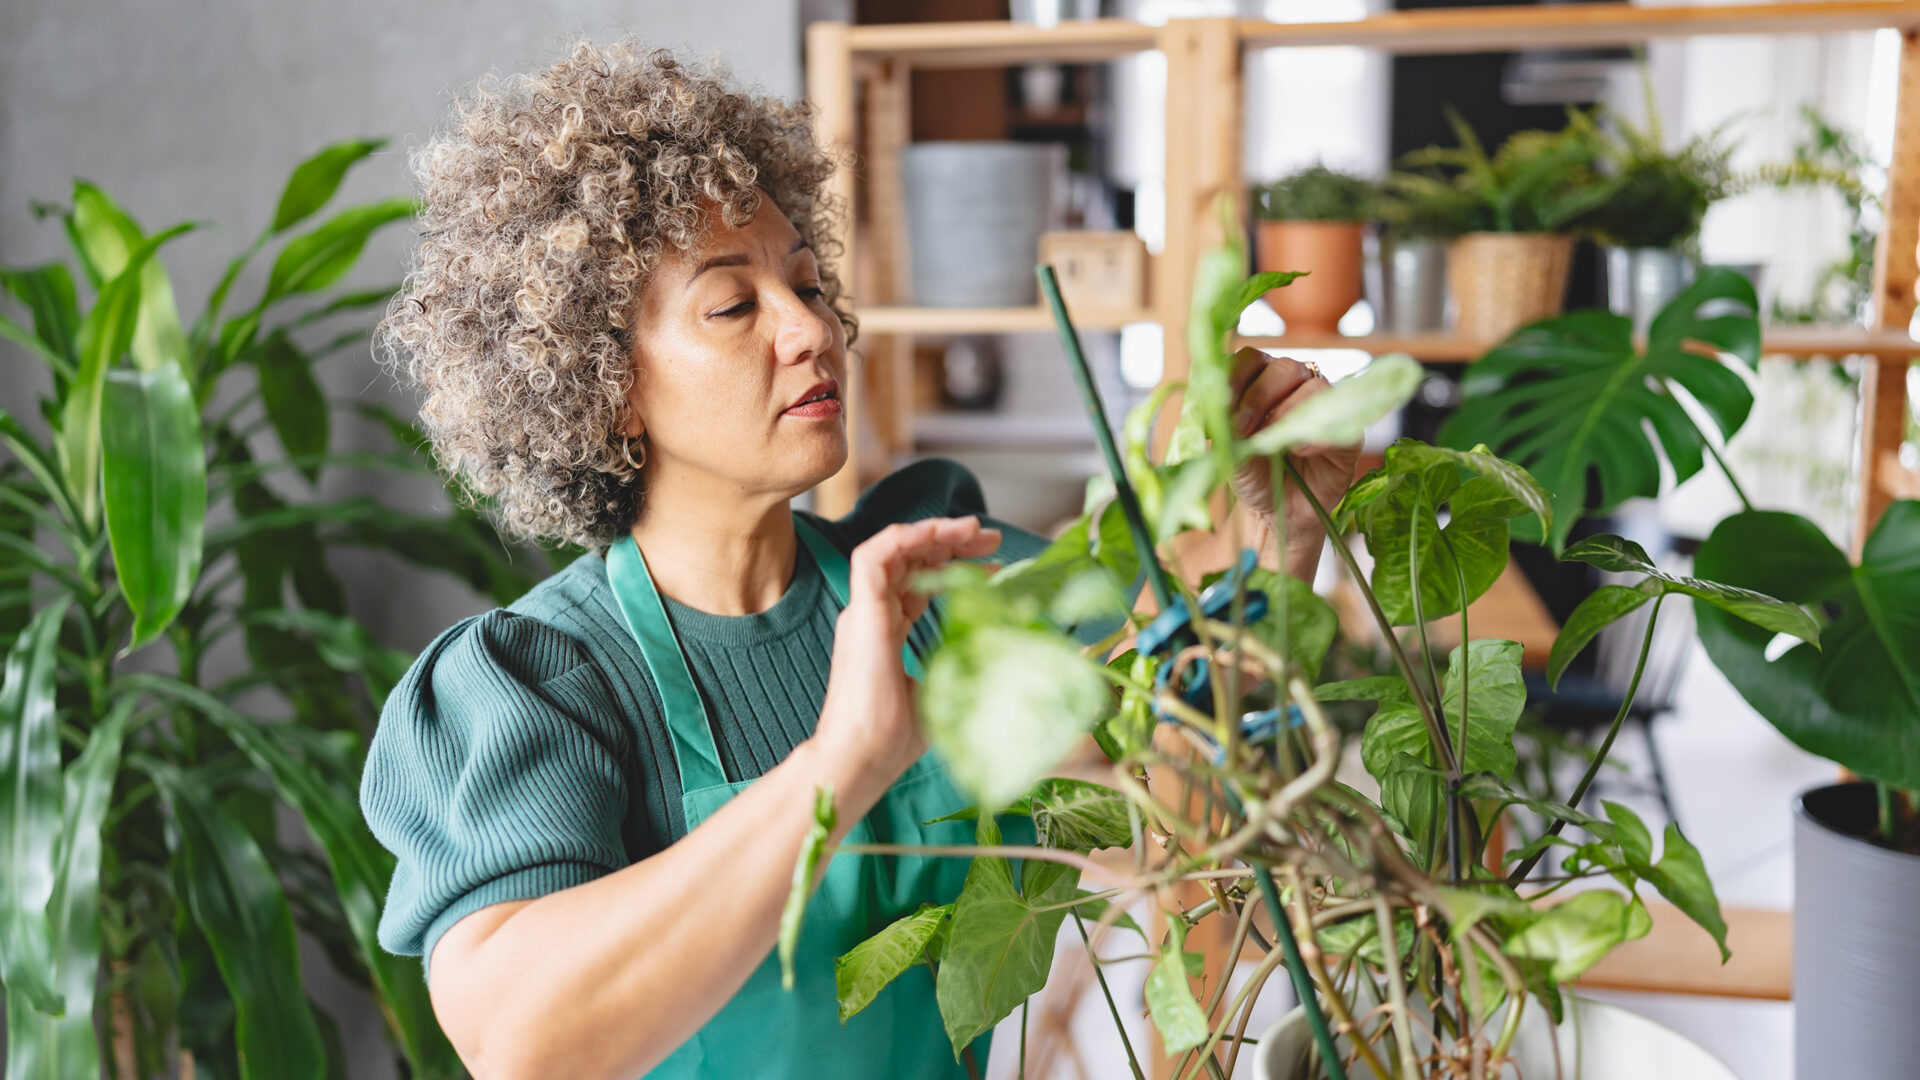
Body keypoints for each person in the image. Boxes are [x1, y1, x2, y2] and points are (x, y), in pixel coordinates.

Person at [361, 35, 1357, 1080]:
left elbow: (1193, 759)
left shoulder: (928, 581)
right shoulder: (536, 688)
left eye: (807, 283)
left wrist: (1277, 535)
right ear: (605, 385)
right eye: (735, 305)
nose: (809, 328)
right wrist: (842, 767)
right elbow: (522, 1042)